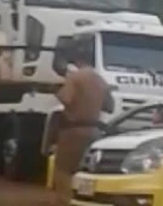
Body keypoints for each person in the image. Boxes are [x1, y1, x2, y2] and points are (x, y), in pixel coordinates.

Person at [52, 42, 111, 206]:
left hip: (73, 130)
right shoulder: (101, 80)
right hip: (94, 130)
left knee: (63, 171)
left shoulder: (75, 77)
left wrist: (56, 90)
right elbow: (109, 106)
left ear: (77, 61)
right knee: (84, 171)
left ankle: (65, 202)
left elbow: (66, 99)